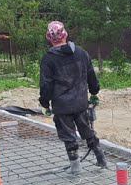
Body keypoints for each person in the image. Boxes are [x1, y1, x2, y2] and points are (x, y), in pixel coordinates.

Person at [39, 21, 107, 174]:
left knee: (68, 136)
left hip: (62, 106)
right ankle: (101, 159)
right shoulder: (81, 53)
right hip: (81, 103)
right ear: (65, 34)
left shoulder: (48, 59)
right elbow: (91, 76)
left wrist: (44, 103)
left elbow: (46, 85)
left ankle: (75, 169)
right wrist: (94, 92)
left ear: (49, 38)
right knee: (87, 130)